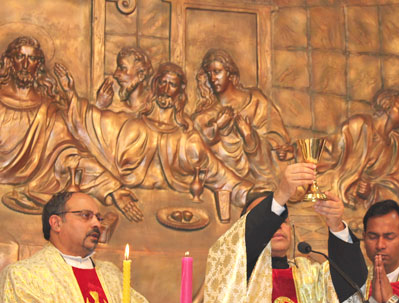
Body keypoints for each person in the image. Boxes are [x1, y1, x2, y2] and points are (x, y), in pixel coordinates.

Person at [55, 61, 252, 211]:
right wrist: (70, 92)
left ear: (180, 91)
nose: (165, 90)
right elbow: (89, 121)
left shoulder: (186, 139)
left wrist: (249, 194)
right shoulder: (132, 127)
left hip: (179, 213)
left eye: (172, 85)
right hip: (129, 207)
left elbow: (219, 174)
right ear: (155, 85)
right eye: (162, 83)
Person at [203, 162, 359, 303]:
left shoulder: (312, 274)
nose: (277, 225)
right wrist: (281, 194)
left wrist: (337, 227)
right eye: (270, 220)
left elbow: (350, 289)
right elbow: (244, 240)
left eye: (283, 221)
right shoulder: (234, 272)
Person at [0, 192, 156, 303]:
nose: (97, 224)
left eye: (98, 218)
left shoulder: (111, 274)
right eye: (86, 216)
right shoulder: (23, 274)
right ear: (56, 223)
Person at [0, 36, 126, 215]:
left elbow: (69, 156)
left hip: (30, 194)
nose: (26, 65)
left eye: (32, 58)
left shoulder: (48, 111)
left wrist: (112, 187)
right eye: (20, 57)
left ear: (39, 65)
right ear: (9, 61)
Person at [322, 89, 399, 235]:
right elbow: (331, 150)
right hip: (341, 192)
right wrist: (297, 152)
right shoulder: (359, 126)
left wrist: (373, 192)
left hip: (372, 204)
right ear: (387, 108)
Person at [193, 49, 292, 191]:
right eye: (209, 74)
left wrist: (250, 137)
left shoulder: (256, 100)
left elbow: (277, 135)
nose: (213, 78)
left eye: (217, 72)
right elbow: (196, 147)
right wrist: (218, 126)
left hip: (262, 170)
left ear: (229, 72)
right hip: (228, 181)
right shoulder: (205, 117)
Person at [95, 46, 153, 114]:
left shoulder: (153, 106)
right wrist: (100, 105)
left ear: (141, 75)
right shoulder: (115, 107)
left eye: (123, 68)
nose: (115, 74)